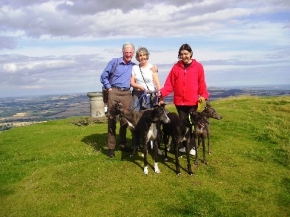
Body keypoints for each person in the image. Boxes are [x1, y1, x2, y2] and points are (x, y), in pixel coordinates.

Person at [159, 43, 209, 155]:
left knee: (192, 124)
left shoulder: (198, 66)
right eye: (181, 54)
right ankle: (184, 145)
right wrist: (161, 92)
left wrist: (203, 95)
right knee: (182, 124)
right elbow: (169, 84)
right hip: (179, 103)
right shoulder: (176, 67)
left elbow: (202, 84)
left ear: (191, 53)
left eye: (186, 53)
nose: (184, 56)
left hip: (193, 102)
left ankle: (191, 147)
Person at [100, 42, 136, 158]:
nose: (128, 55)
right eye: (126, 52)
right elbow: (103, 76)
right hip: (114, 91)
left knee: (125, 121)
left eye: (130, 53)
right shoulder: (114, 62)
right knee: (112, 119)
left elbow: (144, 71)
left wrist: (154, 68)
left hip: (126, 93)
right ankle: (111, 148)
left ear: (133, 53)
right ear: (123, 52)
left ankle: (123, 145)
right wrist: (109, 88)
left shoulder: (134, 66)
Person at [130, 47, 161, 152]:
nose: (142, 57)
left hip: (150, 96)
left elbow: (157, 83)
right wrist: (138, 86)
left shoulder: (152, 67)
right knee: (137, 119)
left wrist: (160, 95)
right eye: (140, 56)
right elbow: (132, 83)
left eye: (144, 55)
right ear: (138, 57)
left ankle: (154, 144)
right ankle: (137, 144)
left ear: (147, 56)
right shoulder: (134, 68)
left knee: (151, 119)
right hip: (138, 95)